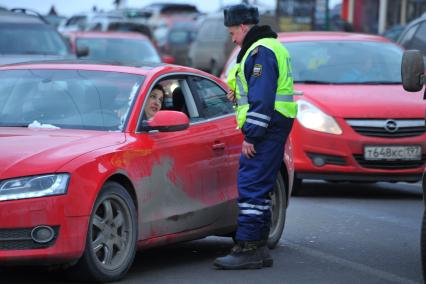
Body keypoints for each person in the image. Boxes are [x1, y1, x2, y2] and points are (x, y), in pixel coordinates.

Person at [213, 4, 297, 270]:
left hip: (266, 128)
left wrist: (252, 136)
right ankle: (256, 247)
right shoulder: (265, 48)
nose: (233, 39)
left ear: (243, 27)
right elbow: (255, 92)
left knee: (251, 186)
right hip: (272, 126)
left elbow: (262, 100)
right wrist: (237, 95)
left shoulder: (261, 51)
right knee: (258, 186)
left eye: (232, 33)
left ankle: (249, 248)